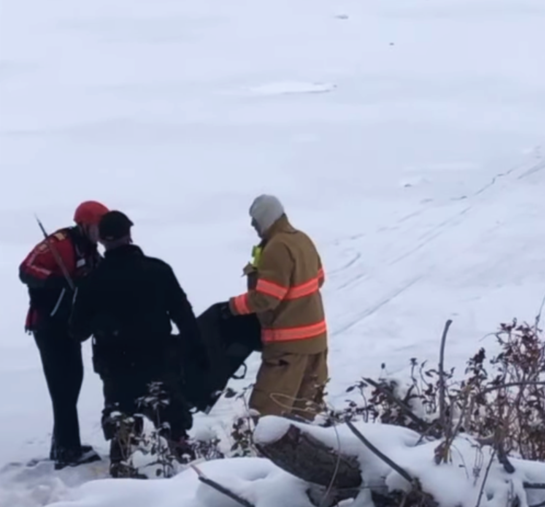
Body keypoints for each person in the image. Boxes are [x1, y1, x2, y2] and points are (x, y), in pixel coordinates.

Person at [69, 210, 208, 478]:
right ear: (129, 235)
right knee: (172, 421)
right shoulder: (158, 270)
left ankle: (121, 468)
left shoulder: (91, 282)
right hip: (159, 361)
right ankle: (190, 473)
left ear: (102, 241)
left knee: (122, 424)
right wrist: (197, 349)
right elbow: (183, 314)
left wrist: (97, 317)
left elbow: (77, 332)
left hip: (115, 366)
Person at [221, 194, 328, 421]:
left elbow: (266, 298)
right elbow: (319, 279)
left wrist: (231, 307)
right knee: (306, 415)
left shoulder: (276, 248)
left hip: (288, 349)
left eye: (255, 220)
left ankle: (261, 458)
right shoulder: (302, 240)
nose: (252, 225)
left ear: (265, 218)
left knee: (266, 415)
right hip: (316, 342)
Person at [18, 200, 109, 469]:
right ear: (84, 225)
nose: (100, 233)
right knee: (63, 387)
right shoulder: (60, 243)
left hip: (70, 326)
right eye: (97, 227)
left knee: (72, 383)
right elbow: (26, 269)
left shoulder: (91, 251)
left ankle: (64, 444)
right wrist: (55, 282)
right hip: (48, 325)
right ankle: (67, 449)